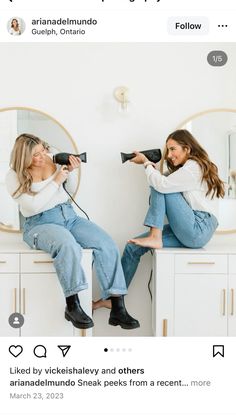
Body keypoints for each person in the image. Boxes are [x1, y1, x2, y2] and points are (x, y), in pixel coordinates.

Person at [5, 133, 139, 330]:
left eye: (44, 150)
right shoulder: (13, 176)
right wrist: (56, 180)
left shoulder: (54, 157)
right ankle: (72, 305)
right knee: (67, 244)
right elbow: (33, 206)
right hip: (39, 224)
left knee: (105, 243)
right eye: (36, 155)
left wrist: (71, 171)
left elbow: (71, 190)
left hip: (69, 216)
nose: (44, 156)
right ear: (23, 156)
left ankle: (117, 307)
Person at [93, 129, 225, 310]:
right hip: (192, 230)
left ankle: (155, 236)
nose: (169, 155)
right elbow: (163, 184)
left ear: (187, 148)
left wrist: (146, 164)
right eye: (168, 150)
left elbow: (161, 185)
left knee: (158, 184)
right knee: (133, 247)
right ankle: (114, 299)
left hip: (198, 226)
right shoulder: (187, 171)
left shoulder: (194, 166)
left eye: (173, 149)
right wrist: (151, 169)